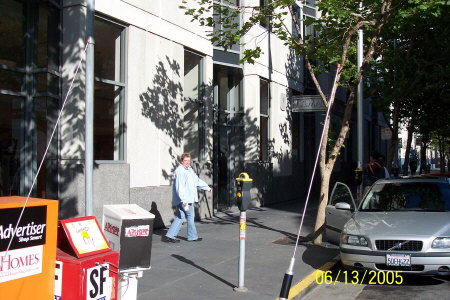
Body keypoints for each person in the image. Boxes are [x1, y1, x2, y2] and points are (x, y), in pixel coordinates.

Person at [163, 153, 211, 243]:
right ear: (181, 161)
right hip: (185, 199)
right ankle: (192, 236)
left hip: (186, 199)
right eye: (186, 161)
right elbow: (179, 187)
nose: (188, 162)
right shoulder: (180, 171)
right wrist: (184, 200)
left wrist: (206, 187)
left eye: (189, 161)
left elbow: (196, 181)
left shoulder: (189, 170)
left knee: (180, 216)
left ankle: (170, 235)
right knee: (190, 216)